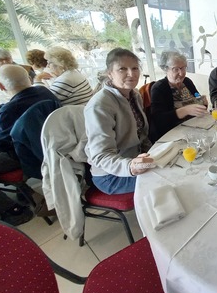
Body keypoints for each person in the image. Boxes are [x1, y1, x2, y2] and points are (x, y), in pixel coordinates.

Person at [84, 48, 154, 195]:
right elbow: (101, 156)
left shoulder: (134, 95)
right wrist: (130, 166)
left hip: (136, 158)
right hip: (111, 175)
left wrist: (155, 153)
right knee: (165, 178)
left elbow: (141, 134)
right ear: (109, 73)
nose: (131, 74)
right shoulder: (100, 105)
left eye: (135, 68)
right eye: (123, 69)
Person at [0, 64, 59, 175]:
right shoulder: (44, 91)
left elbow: (0, 146)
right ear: (29, 78)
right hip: (52, 147)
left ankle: (23, 192)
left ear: (0, 86)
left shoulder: (9, 111)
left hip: (23, 154)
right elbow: (21, 101)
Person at [149, 51, 208, 142]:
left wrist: (203, 102)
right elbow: (158, 120)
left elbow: (197, 97)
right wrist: (185, 110)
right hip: (174, 135)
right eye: (176, 69)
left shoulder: (187, 82)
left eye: (183, 68)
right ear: (165, 69)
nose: (181, 73)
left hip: (195, 128)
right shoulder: (159, 88)